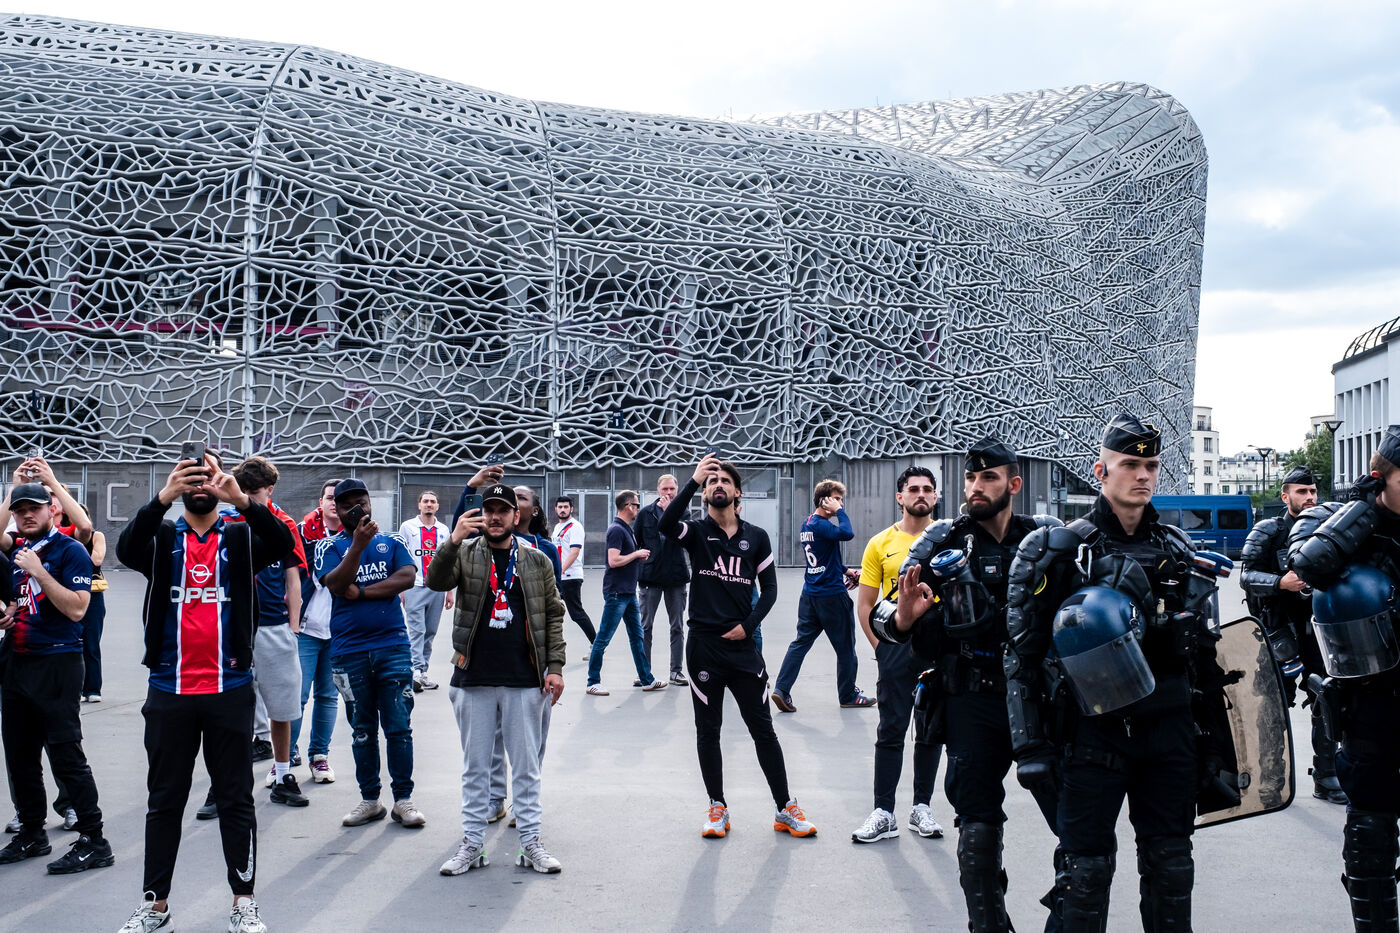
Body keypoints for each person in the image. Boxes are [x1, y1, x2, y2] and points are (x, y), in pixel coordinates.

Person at [1003, 414, 1226, 931]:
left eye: (1151, 465)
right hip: (1092, 734)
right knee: (1084, 875)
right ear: (1101, 470)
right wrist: (1030, 747)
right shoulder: (1058, 550)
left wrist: (1216, 743)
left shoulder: (1177, 548)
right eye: (1130, 465)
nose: (1143, 475)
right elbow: (1021, 653)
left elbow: (1206, 659)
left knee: (1171, 868)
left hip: (1170, 733)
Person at [880, 439, 1064, 932]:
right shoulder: (942, 541)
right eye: (970, 478)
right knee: (977, 831)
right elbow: (887, 617)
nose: (976, 487)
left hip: (1040, 699)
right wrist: (904, 618)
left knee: (1077, 827)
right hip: (972, 696)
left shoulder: (1045, 538)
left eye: (989, 478)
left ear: (1014, 484)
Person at [115, 450, 294, 933]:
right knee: (164, 800)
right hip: (169, 689)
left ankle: (243, 903)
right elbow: (125, 551)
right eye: (189, 475)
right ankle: (155, 906)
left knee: (236, 799)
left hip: (229, 688)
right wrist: (161, 498)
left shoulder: (239, 535)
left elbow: (283, 544)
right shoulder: (164, 536)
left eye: (208, 474)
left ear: (222, 480)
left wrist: (243, 501)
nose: (199, 483)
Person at [658, 454, 816, 839]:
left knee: (763, 728)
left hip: (743, 649)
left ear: (737, 492)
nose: (718, 485)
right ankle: (718, 808)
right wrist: (692, 480)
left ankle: (785, 808)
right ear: (705, 493)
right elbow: (665, 524)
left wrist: (748, 626)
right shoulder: (696, 532)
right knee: (707, 730)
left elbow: (771, 590)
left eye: (725, 481)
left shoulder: (756, 537)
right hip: (704, 648)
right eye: (712, 482)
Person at [1288, 426, 1400, 929]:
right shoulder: (1350, 522)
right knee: (1371, 839)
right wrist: (1364, 509)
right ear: (1380, 477)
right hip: (1372, 702)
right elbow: (1306, 563)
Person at [426, 483, 566, 875]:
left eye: (503, 510)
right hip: (474, 676)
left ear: (516, 516)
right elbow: (436, 581)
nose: (494, 516)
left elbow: (553, 614)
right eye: (489, 510)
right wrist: (453, 540)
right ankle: (472, 844)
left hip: (525, 677)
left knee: (526, 768)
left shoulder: (537, 560)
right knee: (476, 768)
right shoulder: (466, 552)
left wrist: (555, 667)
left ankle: (530, 842)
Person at [0, 478, 108, 875]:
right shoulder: (18, 549)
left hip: (58, 663)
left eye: (34, 508)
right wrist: (11, 611)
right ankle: (32, 832)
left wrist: (40, 573)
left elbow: (78, 608)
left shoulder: (70, 550)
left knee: (66, 757)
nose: (27, 515)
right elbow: (22, 598)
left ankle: (95, 840)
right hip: (17, 663)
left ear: (51, 510)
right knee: (20, 757)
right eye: (19, 510)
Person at [316, 479, 424, 829]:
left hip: (393, 646)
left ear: (370, 502)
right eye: (346, 504)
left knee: (399, 726)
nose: (355, 509)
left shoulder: (392, 541)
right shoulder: (327, 546)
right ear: (337, 510)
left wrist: (361, 593)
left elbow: (406, 576)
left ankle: (404, 800)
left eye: (360, 501)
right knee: (362, 729)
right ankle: (370, 800)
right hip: (349, 651)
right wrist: (358, 547)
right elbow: (336, 584)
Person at [852, 465, 945, 843]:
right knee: (891, 729)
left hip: (937, 649)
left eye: (927, 489)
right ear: (900, 497)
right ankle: (884, 812)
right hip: (894, 647)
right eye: (913, 489)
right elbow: (865, 604)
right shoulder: (880, 543)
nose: (921, 494)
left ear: (936, 496)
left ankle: (921, 807)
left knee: (930, 731)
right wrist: (881, 646)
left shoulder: (949, 538)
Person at [1240, 465, 1342, 804]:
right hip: (1276, 630)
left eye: (1312, 491)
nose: (1310, 497)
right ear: (1285, 496)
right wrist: (1279, 582)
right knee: (1272, 707)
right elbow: (1246, 576)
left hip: (1318, 630)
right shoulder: (1269, 530)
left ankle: (1326, 775)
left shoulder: (1327, 529)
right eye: (1302, 492)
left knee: (1327, 699)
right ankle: (1271, 781)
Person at [229, 457, 310, 808]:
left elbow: (294, 578)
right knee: (231, 709)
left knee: (281, 706)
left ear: (270, 489)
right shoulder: (228, 521)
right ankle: (226, 784)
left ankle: (282, 775)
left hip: (274, 625)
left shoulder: (284, 523)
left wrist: (293, 627)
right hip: (233, 627)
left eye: (256, 491)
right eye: (244, 491)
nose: (250, 497)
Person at [772, 479, 873, 711]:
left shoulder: (807, 523)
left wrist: (846, 571)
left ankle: (781, 689)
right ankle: (848, 695)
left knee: (800, 642)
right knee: (846, 648)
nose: (840, 504)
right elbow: (847, 533)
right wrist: (840, 513)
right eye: (836, 499)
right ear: (823, 500)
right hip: (831, 596)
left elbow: (823, 556)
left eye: (841, 500)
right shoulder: (822, 524)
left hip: (810, 595)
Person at [586, 491, 664, 695]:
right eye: (636, 505)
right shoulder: (616, 530)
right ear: (629, 506)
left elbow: (622, 558)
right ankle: (592, 681)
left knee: (637, 637)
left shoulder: (625, 529)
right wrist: (636, 554)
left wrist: (636, 556)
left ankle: (647, 679)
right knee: (603, 638)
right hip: (617, 593)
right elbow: (613, 561)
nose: (638, 508)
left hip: (627, 593)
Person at [290, 480, 341, 786]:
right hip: (305, 628)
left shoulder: (357, 536)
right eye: (330, 497)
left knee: (328, 696)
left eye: (340, 498)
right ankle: (283, 759)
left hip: (338, 631)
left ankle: (319, 757)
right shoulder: (301, 532)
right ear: (320, 501)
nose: (334, 503)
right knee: (296, 697)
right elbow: (288, 576)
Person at [398, 491, 453, 692]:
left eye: (432, 502)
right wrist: (401, 588)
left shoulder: (443, 530)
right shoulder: (408, 527)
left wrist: (449, 591)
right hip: (414, 586)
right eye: (425, 501)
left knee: (429, 632)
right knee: (416, 630)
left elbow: (448, 561)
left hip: (437, 588)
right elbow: (400, 556)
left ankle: (422, 672)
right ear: (419, 504)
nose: (429, 504)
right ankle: (414, 672)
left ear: (437, 506)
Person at [637, 474, 689, 686]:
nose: (668, 492)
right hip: (651, 576)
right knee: (645, 627)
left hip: (675, 576)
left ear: (677, 490)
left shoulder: (683, 512)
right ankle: (644, 673)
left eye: (672, 489)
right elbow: (638, 541)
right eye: (665, 489)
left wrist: (670, 513)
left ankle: (676, 671)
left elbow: (686, 539)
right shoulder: (645, 513)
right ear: (658, 490)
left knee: (677, 626)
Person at [551, 496, 596, 643]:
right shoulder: (557, 527)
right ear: (555, 509)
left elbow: (574, 552)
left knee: (576, 613)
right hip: (559, 577)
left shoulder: (575, 526)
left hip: (570, 577)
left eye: (566, 507)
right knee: (549, 610)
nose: (563, 510)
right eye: (560, 507)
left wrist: (560, 571)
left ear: (571, 509)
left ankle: (596, 645)